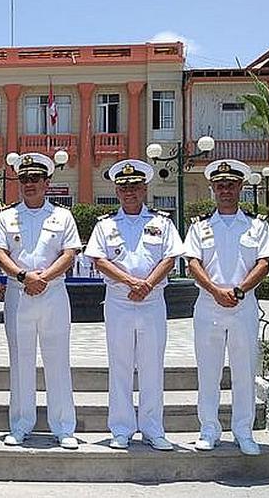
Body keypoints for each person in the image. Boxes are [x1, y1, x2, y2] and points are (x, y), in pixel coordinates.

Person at [84, 160, 184, 451]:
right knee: (120, 366)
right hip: (119, 302)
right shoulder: (105, 225)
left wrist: (147, 284)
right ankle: (121, 428)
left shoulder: (162, 222)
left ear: (144, 190)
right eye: (124, 188)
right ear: (117, 191)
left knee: (152, 366)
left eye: (135, 187)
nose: (130, 192)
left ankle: (153, 429)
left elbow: (170, 258)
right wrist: (130, 282)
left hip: (152, 302)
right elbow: (99, 260)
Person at [184, 159, 269, 456]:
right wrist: (215, 290)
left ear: (240, 187)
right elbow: (192, 263)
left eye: (231, 185)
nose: (225, 190)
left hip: (243, 305)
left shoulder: (257, 225)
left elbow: (264, 263)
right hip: (208, 305)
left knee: (244, 370)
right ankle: (208, 429)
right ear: (213, 189)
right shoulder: (200, 226)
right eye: (220, 185)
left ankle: (243, 431)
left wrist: (238, 291)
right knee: (208, 371)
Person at [0, 153, 81, 450]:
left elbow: (69, 253)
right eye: (24, 179)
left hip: (53, 294)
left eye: (35, 179)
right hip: (19, 294)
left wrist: (43, 278)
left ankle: (63, 427)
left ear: (47, 183)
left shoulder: (62, 216)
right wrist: (24, 276)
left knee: (58, 361)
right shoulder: (8, 216)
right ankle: (20, 424)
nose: (29, 184)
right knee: (20, 361)